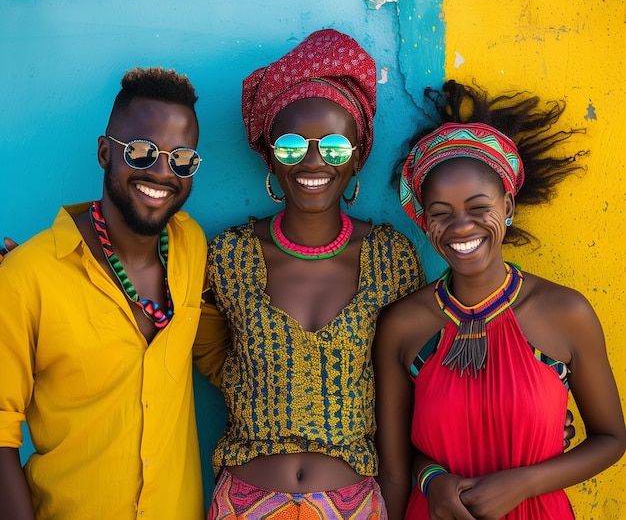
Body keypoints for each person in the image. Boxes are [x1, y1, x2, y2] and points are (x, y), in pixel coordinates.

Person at [374, 81, 626, 519]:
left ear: (507, 204)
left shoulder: (565, 313)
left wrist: (525, 483)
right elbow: (393, 467)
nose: (460, 227)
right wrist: (432, 481)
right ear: (425, 221)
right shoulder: (403, 324)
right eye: (440, 213)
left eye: (478, 208)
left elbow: (611, 439)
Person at [204, 28, 426, 519]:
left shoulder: (390, 260)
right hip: (243, 504)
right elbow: (159, 312)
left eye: (335, 147)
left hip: (354, 504)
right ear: (268, 156)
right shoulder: (227, 257)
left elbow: (415, 385)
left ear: (357, 157)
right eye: (290, 146)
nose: (312, 161)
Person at [0, 67, 229, 520]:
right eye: (143, 152)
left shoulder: (191, 248)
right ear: (106, 152)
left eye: (182, 159)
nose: (162, 173)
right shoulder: (28, 275)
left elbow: (215, 353)